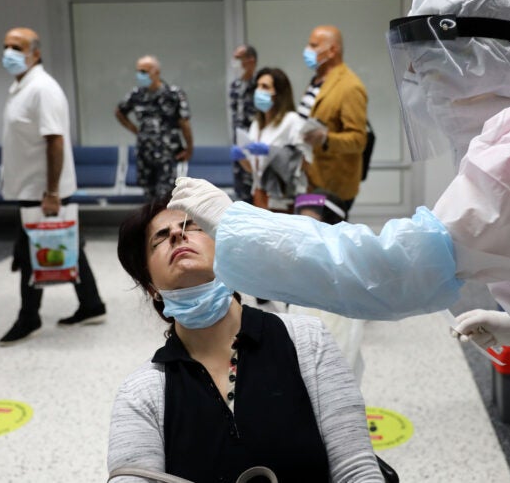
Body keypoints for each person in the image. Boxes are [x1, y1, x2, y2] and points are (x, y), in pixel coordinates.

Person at [169, 0, 510, 483]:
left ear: (481, 59)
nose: (421, 89)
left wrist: (239, 223)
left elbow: (394, 270)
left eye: (431, 70)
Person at [109, 197, 382, 482]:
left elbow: (356, 470)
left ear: (227, 253)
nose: (177, 234)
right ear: (152, 288)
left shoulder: (308, 341)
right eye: (160, 238)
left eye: (193, 227)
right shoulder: (142, 394)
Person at [0, 27, 106, 346]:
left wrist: (52, 192)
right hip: (29, 188)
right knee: (68, 245)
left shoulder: (43, 89)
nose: (8, 52)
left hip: (43, 192)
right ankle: (91, 304)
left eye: (16, 47)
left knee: (32, 252)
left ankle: (28, 317)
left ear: (35, 53)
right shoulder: (20, 86)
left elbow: (55, 141)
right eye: (5, 46)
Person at [288, 190, 365, 382]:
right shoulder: (304, 265)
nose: (302, 231)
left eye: (311, 224)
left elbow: (340, 355)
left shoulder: (340, 278)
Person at [297, 25, 367, 216]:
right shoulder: (317, 80)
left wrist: (325, 138)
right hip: (311, 178)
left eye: (313, 45)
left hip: (333, 185)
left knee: (328, 239)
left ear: (332, 50)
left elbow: (358, 140)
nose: (307, 50)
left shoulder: (349, 86)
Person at [115, 55, 194, 200]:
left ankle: (166, 222)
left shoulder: (173, 94)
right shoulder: (136, 94)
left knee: (166, 196)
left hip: (167, 153)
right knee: (149, 196)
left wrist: (189, 147)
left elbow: (184, 122)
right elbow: (119, 112)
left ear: (156, 72)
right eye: (138, 71)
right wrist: (135, 130)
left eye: (144, 71)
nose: (140, 75)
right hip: (145, 153)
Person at [232, 67, 310, 212]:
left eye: (265, 87)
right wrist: (242, 157)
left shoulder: (291, 121)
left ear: (278, 93)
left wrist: (271, 152)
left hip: (283, 198)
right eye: (258, 86)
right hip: (259, 195)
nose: (258, 91)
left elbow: (302, 162)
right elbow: (254, 169)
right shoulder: (256, 124)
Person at [228, 44, 256, 203]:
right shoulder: (235, 86)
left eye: (239, 58)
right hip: (239, 145)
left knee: (256, 191)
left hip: (255, 145)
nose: (235, 62)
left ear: (251, 60)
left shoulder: (259, 84)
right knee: (241, 190)